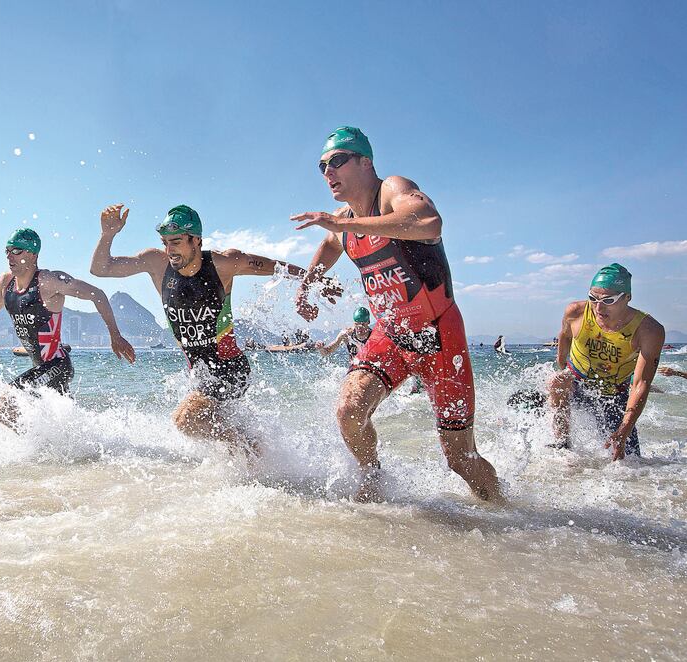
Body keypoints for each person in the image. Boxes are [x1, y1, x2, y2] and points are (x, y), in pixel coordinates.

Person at [292, 126, 501, 502]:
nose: (328, 173)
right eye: (321, 166)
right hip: (390, 334)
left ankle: (505, 511)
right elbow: (329, 243)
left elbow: (427, 222)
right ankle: (373, 480)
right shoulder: (344, 222)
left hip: (439, 335)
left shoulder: (391, 190)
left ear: (365, 161)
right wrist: (307, 285)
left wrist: (341, 224)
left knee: (460, 459)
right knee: (349, 410)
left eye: (337, 161)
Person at [90, 203, 341, 453]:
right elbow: (100, 269)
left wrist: (313, 281)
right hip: (199, 374)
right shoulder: (156, 263)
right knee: (213, 427)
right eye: (165, 242)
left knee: (185, 419)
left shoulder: (224, 263)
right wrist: (108, 234)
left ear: (196, 240)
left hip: (231, 367)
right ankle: (256, 459)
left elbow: (276, 266)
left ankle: (249, 450)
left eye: (176, 241)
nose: (169, 250)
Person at [0, 228, 135, 429]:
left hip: (57, 365)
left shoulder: (49, 281)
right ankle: (53, 452)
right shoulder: (6, 282)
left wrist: (115, 335)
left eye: (17, 250)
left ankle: (36, 448)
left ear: (33, 254)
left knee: (3, 406)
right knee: (65, 430)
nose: (9, 255)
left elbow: (97, 294)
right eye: (7, 250)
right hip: (41, 367)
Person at [548, 263, 665, 460]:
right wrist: (561, 366)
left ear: (627, 298)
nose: (598, 307)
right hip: (578, 382)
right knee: (556, 381)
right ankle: (563, 446)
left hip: (614, 393)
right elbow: (565, 336)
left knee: (628, 462)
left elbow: (640, 383)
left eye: (608, 300)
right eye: (592, 298)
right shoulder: (576, 312)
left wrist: (624, 430)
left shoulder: (648, 330)